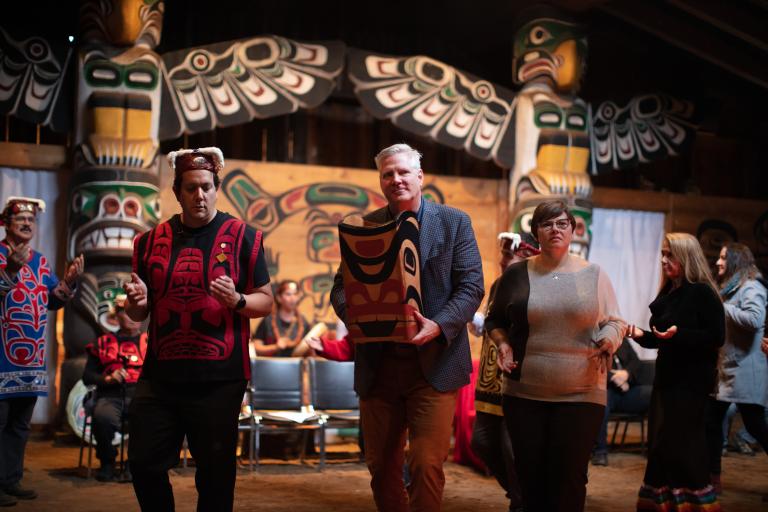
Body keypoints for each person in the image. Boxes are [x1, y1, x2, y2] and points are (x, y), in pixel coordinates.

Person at [330, 143, 484, 511]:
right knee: (381, 466)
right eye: (388, 174)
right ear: (381, 181)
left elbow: (471, 286)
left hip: (435, 366)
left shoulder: (454, 221)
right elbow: (340, 288)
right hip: (379, 367)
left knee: (426, 464)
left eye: (402, 172)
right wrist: (358, 320)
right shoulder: (366, 225)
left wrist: (439, 325)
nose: (395, 179)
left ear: (419, 176)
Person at [123, 147, 273, 512]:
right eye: (191, 188)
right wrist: (137, 300)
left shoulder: (245, 237)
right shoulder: (147, 242)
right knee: (143, 462)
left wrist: (237, 300)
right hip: (160, 375)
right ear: (177, 192)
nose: (199, 195)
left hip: (220, 378)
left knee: (216, 474)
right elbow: (136, 313)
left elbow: (265, 301)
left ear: (216, 187)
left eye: (206, 186)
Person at [487, 200, 625, 512]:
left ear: (573, 229)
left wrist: (609, 337)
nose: (555, 229)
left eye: (562, 223)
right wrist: (503, 344)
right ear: (535, 231)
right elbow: (494, 320)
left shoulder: (594, 274)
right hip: (525, 393)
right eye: (547, 224)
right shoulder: (516, 275)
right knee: (530, 481)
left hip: (582, 392)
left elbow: (615, 320)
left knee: (570, 481)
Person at [627, 233, 724, 511]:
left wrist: (679, 334)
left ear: (685, 257)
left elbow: (716, 337)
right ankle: (662, 502)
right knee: (660, 445)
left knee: (683, 447)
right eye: (663, 254)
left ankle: (694, 505)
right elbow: (661, 338)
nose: (663, 260)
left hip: (690, 383)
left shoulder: (703, 292)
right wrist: (639, 334)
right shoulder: (669, 291)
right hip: (667, 379)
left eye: (669, 255)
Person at [0, 196, 83, 507]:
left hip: (31, 360)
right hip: (1, 357)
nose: (26, 224)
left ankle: (11, 480)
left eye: (32, 220)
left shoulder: (40, 260)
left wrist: (69, 282)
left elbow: (52, 300)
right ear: (6, 222)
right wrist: (9, 269)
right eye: (20, 219)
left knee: (20, 425)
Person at [470, 232, 539, 512]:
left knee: (513, 451)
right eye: (503, 254)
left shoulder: (532, 289)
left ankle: (523, 503)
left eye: (510, 255)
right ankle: (521, 496)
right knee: (482, 442)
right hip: (489, 383)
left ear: (527, 257)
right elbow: (489, 324)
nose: (502, 260)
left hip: (516, 379)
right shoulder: (499, 285)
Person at [704, 243, 768, 493]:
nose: (718, 262)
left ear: (736, 261)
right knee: (712, 421)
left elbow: (754, 319)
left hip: (745, 371)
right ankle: (713, 479)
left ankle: (713, 479)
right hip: (728, 370)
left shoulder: (751, 287)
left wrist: (723, 308)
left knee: (754, 425)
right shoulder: (730, 289)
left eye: (723, 258)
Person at [82, 294, 146, 482]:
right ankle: (107, 461)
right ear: (117, 316)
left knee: (148, 420)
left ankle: (132, 464)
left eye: (137, 313)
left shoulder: (151, 343)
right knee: (102, 418)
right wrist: (108, 378)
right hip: (110, 395)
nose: (134, 317)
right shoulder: (101, 343)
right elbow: (87, 376)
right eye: (128, 313)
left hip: (141, 396)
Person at [590, 337, 653, 466]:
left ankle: (659, 448)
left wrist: (626, 374)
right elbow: (590, 367)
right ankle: (600, 452)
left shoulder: (620, 339)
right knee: (601, 401)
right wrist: (614, 378)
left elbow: (636, 362)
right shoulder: (591, 341)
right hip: (606, 390)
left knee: (655, 393)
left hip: (628, 391)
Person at [252, 280, 311, 357]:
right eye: (288, 294)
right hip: (271, 366)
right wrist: (275, 347)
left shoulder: (303, 322)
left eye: (295, 294)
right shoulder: (268, 321)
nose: (293, 298)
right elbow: (257, 347)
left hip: (296, 367)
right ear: (279, 298)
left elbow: (308, 351)